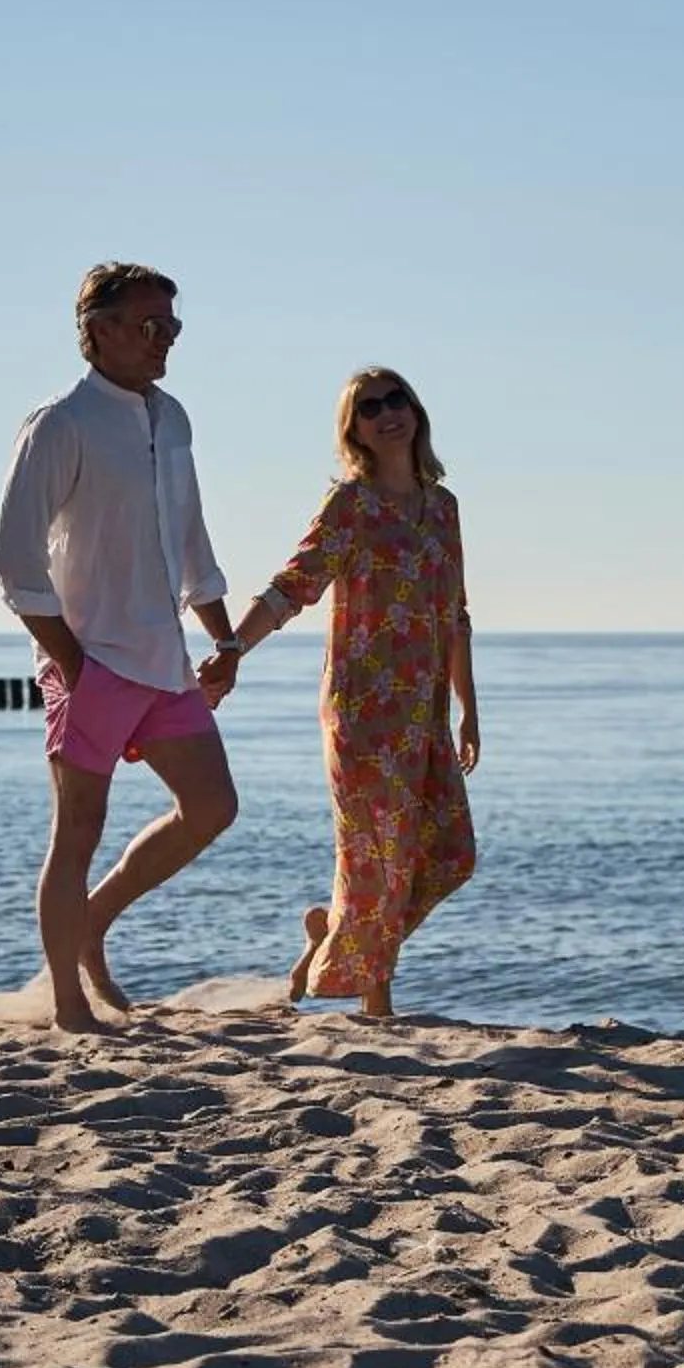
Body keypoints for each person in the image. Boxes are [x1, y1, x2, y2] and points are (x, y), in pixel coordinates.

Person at [0, 263, 242, 1033]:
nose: (165, 339)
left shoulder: (173, 419)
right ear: (98, 331)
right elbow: (13, 562)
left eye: (172, 326)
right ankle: (68, 1006)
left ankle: (93, 922)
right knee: (77, 832)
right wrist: (73, 665)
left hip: (164, 660)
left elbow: (190, 537)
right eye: (148, 325)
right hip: (91, 659)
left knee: (212, 808)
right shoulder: (60, 424)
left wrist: (223, 638)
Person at [213, 366, 478, 1022]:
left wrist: (468, 708)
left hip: (424, 712)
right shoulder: (351, 506)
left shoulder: (444, 509)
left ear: (416, 410)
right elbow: (293, 586)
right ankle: (375, 1000)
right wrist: (233, 648)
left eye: (396, 400)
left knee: (451, 854)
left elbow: (455, 615)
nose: (387, 414)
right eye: (370, 408)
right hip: (362, 710)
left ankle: (333, 940)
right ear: (354, 429)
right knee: (382, 855)